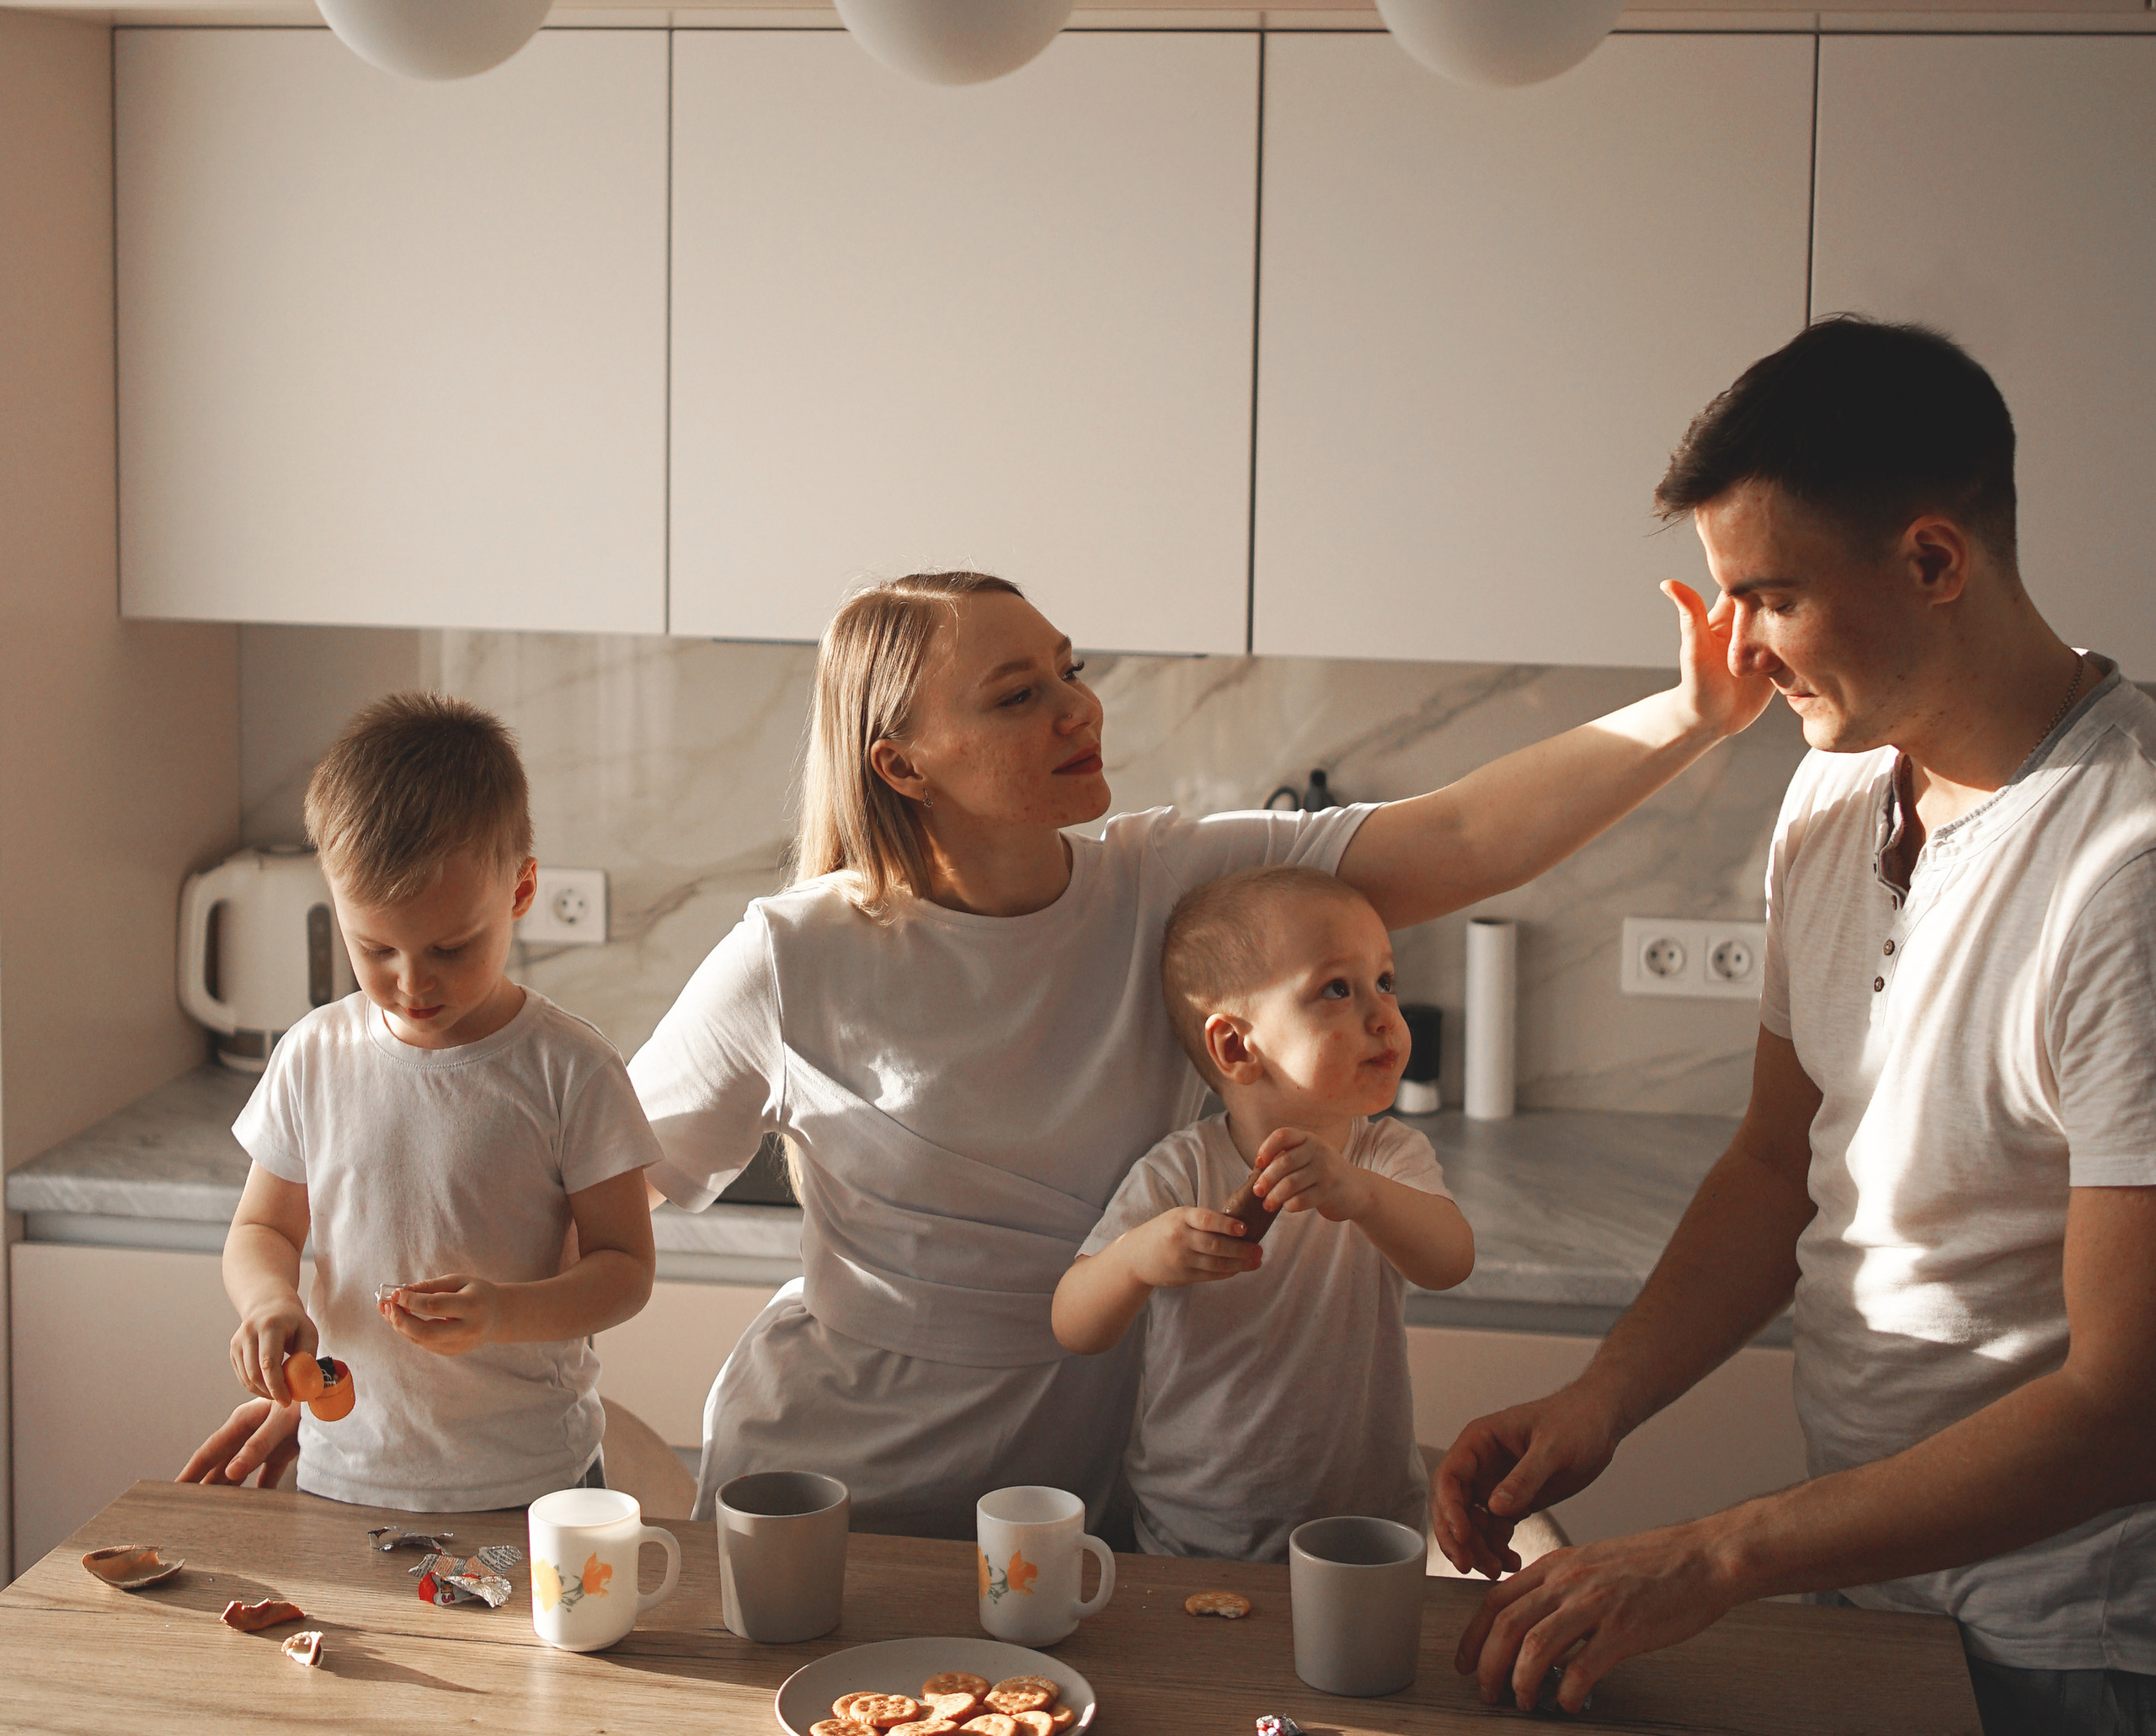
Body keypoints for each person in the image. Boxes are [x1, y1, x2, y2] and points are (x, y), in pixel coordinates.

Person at [191, 569, 1767, 1525]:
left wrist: (1689, 718)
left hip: (1093, 1495)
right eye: (1020, 693)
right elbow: (565, 1198)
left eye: (1068, 669)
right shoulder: (793, 953)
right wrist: (353, 1362)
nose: (1078, 704)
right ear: (906, 762)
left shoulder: (1169, 874)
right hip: (827, 1492)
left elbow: (1464, 833)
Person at [1435, 319, 2156, 1736]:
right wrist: (1606, 1399)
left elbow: (2126, 1401)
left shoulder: (2125, 873)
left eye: (1768, 598)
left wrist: (1714, 1554)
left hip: (2071, 1638)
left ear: (1934, 562)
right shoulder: (1835, 794)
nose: (1740, 654)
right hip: (1864, 1589)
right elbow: (1778, 1166)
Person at [215, 692, 661, 1509]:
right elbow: (263, 1227)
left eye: (451, 946)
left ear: (521, 890)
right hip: (344, 1469)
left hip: (531, 1479)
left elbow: (625, 1271)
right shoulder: (314, 1053)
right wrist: (270, 1298)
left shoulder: (571, 1067)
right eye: (375, 947)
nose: (412, 982)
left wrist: (506, 1312)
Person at [1051, 864, 1472, 1561]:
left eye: (1385, 982)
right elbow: (1074, 1324)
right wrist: (1136, 1260)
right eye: (1337, 989)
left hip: (1363, 1532)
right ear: (1236, 1047)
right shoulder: (1181, 1170)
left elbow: (1451, 1260)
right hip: (1192, 1528)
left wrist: (1361, 1196)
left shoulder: (1385, 1156)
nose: (1382, 1014)